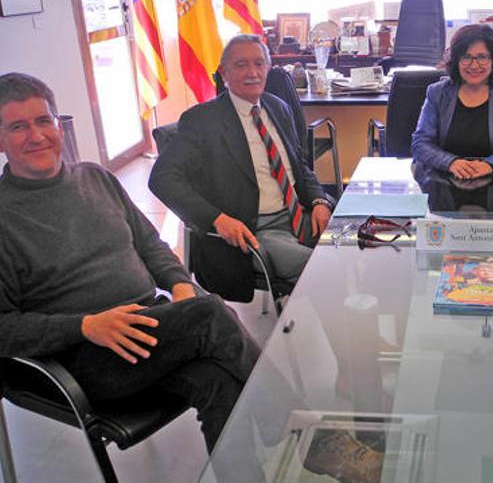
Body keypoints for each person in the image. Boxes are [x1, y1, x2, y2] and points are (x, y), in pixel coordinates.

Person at [0, 72, 261, 453]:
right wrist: (86, 326)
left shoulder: (95, 178)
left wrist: (180, 286)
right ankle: (298, 428)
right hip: (85, 358)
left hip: (151, 329)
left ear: (58, 123)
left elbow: (150, 244)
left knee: (218, 381)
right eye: (18, 127)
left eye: (43, 120)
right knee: (209, 314)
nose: (36, 135)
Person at [149, 34, 332, 302]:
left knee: (362, 244)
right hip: (255, 231)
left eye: (259, 64)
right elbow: (162, 178)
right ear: (224, 72)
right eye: (241, 65)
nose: (252, 73)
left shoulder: (277, 107)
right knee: (326, 270)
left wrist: (318, 200)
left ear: (268, 68)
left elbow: (299, 165)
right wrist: (217, 218)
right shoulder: (202, 120)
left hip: (301, 214)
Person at [411, 24, 493, 212]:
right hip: (443, 185)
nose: (474, 65)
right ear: (456, 60)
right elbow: (420, 143)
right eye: (466, 57)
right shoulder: (437, 93)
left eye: (482, 57)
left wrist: (490, 165)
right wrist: (450, 162)